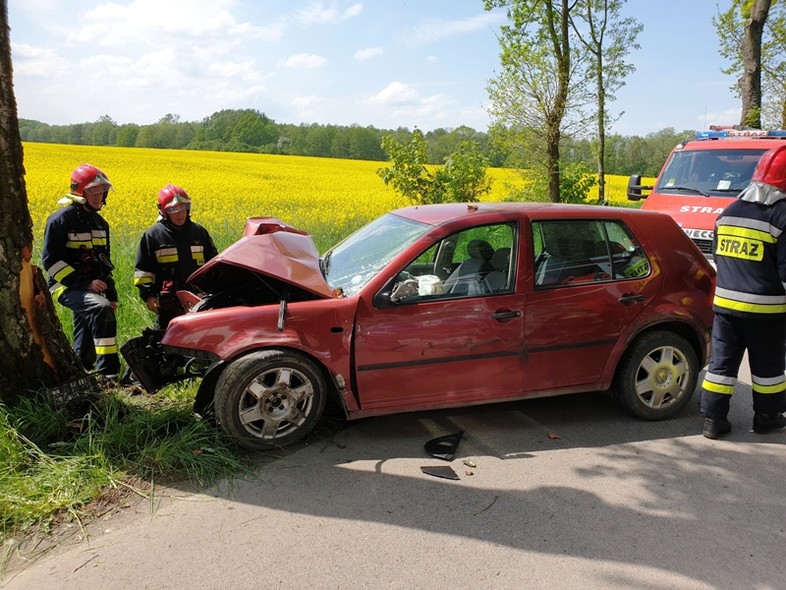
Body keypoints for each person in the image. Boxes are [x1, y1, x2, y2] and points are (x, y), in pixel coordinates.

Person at [699, 145, 786, 439]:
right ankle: (767, 417)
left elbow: (718, 255)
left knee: (721, 365)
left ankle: (713, 420)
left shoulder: (730, 210)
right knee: (768, 368)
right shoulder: (783, 216)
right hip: (767, 312)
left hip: (724, 306)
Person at [42, 163, 120, 378]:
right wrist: (84, 283)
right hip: (63, 285)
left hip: (91, 287)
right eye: (93, 191)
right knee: (99, 309)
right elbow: (51, 261)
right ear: (80, 192)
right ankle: (108, 374)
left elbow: (105, 264)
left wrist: (111, 294)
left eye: (101, 192)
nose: (98, 196)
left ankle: (81, 369)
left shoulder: (101, 224)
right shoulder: (60, 220)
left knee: (89, 320)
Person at [134, 184, 218, 329]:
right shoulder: (153, 236)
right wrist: (148, 295)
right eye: (173, 210)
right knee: (167, 340)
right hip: (168, 303)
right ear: (163, 211)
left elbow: (213, 263)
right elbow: (144, 270)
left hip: (198, 299)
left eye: (182, 208)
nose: (180, 214)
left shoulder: (199, 233)